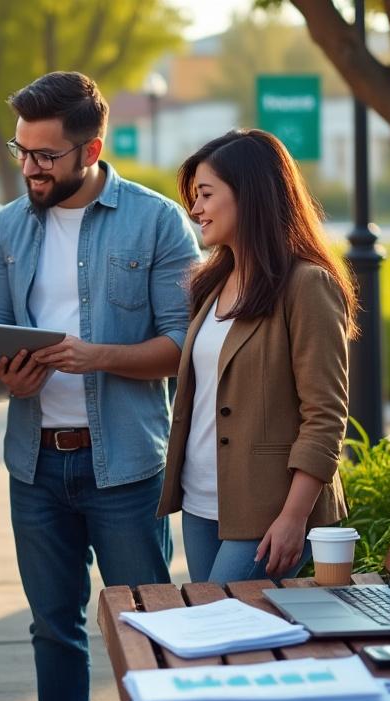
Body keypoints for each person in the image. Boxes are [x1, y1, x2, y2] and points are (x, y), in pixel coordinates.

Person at [0, 71, 201, 701]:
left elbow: (183, 348)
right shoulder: (8, 228)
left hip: (126, 464)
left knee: (146, 616)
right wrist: (7, 377)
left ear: (91, 147)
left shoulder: (157, 220)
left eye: (46, 156)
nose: (30, 169)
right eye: (22, 152)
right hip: (34, 462)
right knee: (53, 624)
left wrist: (97, 356)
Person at [158, 128, 358, 584]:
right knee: (224, 645)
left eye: (206, 194)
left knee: (220, 623)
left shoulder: (307, 285)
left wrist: (293, 518)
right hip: (203, 502)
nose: (196, 210)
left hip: (271, 509)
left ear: (249, 196)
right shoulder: (210, 284)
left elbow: (325, 415)